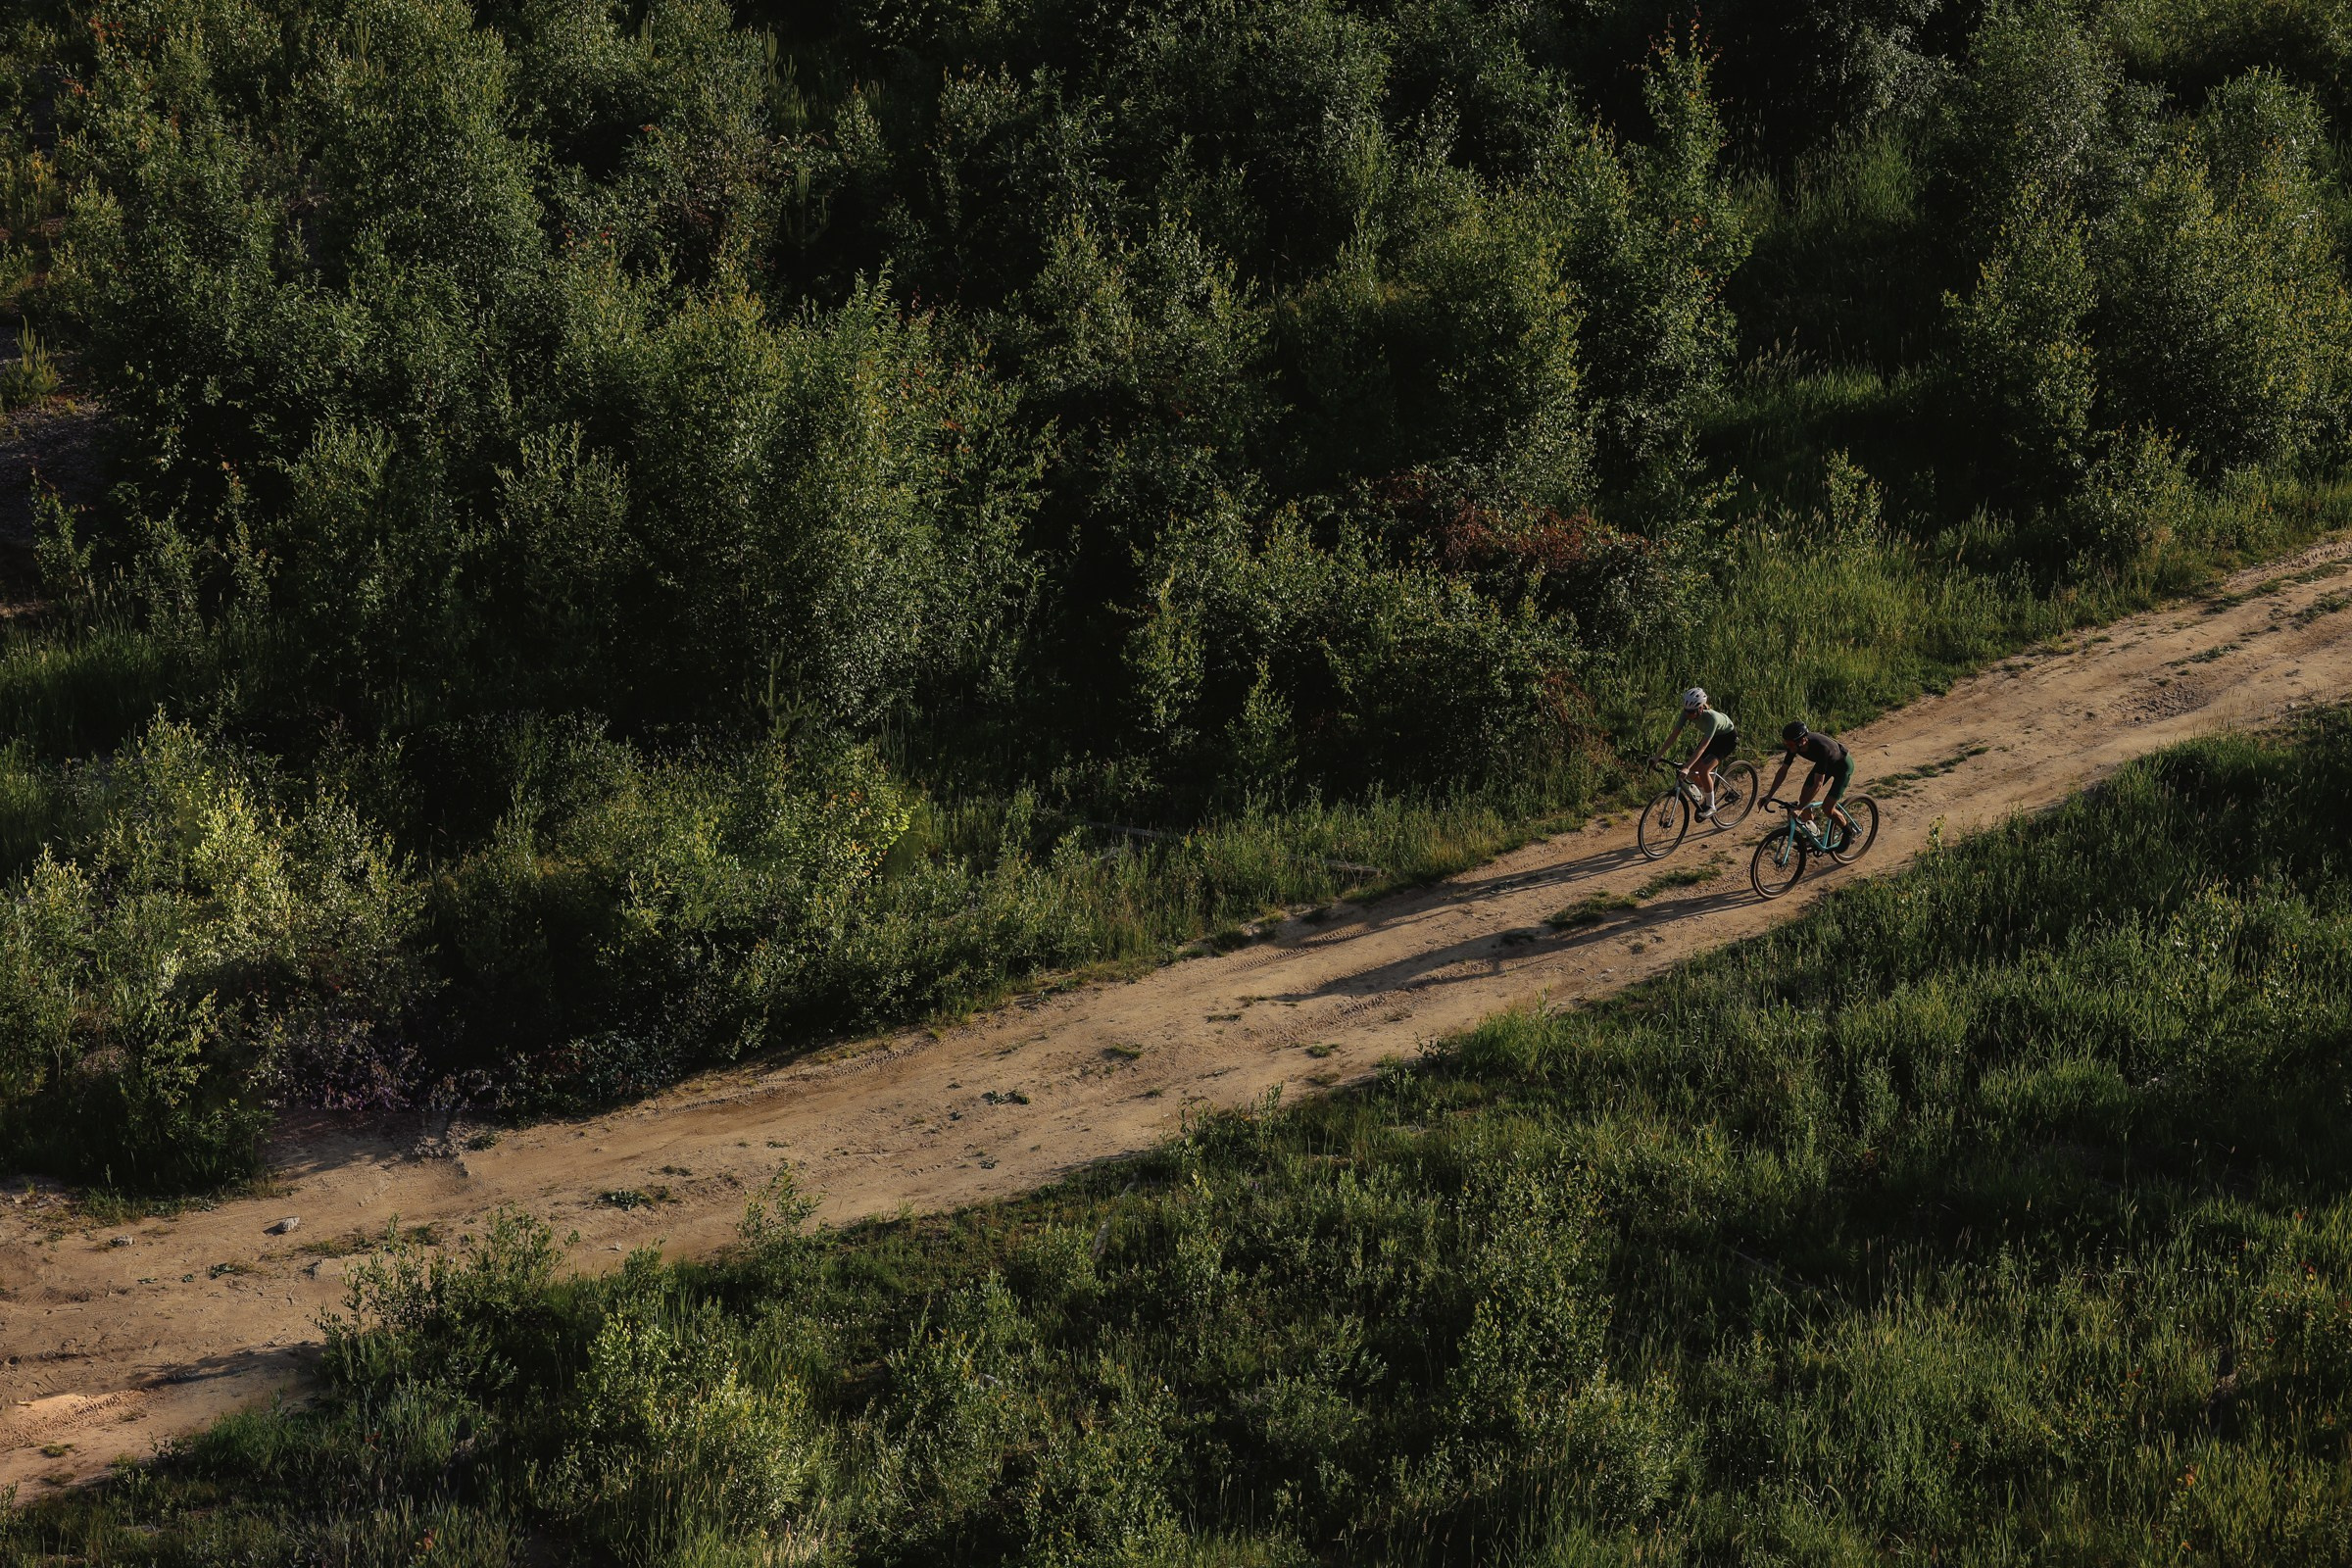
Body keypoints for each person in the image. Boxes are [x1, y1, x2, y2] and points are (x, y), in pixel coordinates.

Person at [1766, 720, 1855, 840]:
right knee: (1804, 799)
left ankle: (1848, 833)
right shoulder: (1794, 747)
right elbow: (1783, 770)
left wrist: (1800, 808)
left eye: (1790, 744)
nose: (1787, 746)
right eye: (1786, 743)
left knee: (1827, 808)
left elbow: (1818, 784)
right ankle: (1813, 835)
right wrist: (1769, 795)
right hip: (1825, 765)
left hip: (1842, 766)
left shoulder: (1822, 749)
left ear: (1802, 741)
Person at [1661, 687, 1738, 818]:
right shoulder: (1686, 713)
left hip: (1727, 738)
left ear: (1701, 709)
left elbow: (1702, 747)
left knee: (1703, 771)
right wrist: (1657, 756)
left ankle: (1711, 806)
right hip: (1713, 737)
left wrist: (1686, 766)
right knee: (1692, 772)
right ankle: (1708, 790)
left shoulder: (1712, 718)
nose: (1688, 715)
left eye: (1691, 712)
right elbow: (1673, 736)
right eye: (1686, 711)